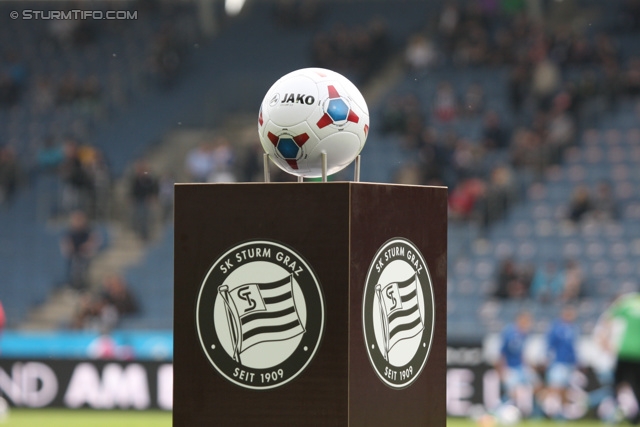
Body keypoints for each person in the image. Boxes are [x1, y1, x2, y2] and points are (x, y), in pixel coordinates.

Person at [602, 292, 640, 425]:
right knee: (637, 386)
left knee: (618, 384)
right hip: (638, 353)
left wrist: (606, 337)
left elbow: (609, 316)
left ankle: (614, 413)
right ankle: (635, 418)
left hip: (625, 351)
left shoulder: (627, 303)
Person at [496, 311, 540, 415]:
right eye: (526, 321)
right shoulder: (509, 333)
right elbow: (502, 353)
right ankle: (498, 411)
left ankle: (536, 413)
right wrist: (502, 370)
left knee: (538, 386)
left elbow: (522, 353)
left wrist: (528, 366)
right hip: (511, 368)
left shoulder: (524, 334)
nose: (528, 324)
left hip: (521, 367)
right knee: (512, 393)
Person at [541, 306, 579, 419]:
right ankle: (548, 412)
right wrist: (548, 359)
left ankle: (564, 413)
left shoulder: (573, 329)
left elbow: (573, 348)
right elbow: (549, 346)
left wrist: (576, 361)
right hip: (558, 363)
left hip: (568, 364)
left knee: (565, 390)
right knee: (554, 388)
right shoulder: (556, 328)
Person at [59, 210, 100, 291]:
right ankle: (73, 285)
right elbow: (65, 243)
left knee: (82, 266)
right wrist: (70, 247)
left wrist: (87, 246)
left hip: (85, 254)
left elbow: (94, 241)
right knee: (74, 266)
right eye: (75, 219)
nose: (77, 222)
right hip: (74, 255)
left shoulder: (88, 231)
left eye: (79, 219)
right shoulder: (69, 232)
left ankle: (83, 284)